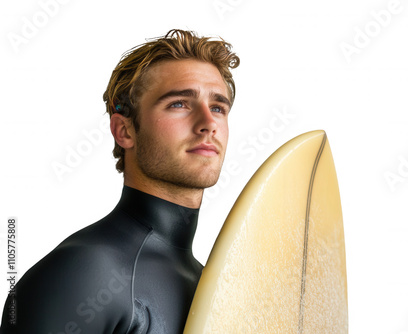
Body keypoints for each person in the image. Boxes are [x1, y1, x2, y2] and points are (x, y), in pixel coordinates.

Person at [0, 29, 240, 333]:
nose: (208, 123)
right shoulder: (83, 272)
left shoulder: (208, 283)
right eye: (179, 103)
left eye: (218, 107)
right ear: (124, 131)